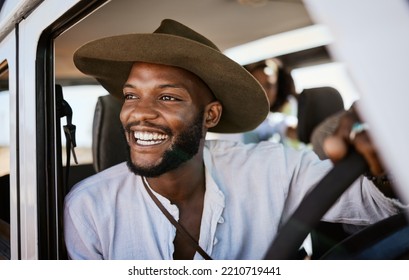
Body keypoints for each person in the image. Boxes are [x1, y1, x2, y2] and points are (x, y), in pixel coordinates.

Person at [64, 19, 405, 260]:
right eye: (131, 95)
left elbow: (373, 204)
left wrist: (387, 160)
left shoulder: (273, 169)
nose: (139, 113)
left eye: (167, 97)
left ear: (210, 116)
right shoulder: (89, 207)